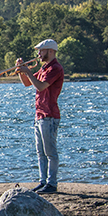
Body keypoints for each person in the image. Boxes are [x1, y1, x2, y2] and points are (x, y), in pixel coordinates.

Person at [15, 39, 64, 194]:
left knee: (50, 152)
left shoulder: (55, 68)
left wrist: (28, 71)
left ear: (50, 51)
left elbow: (41, 86)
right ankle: (43, 181)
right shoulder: (44, 68)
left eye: (41, 51)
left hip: (49, 115)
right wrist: (21, 70)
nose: (38, 54)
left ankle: (52, 183)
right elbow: (27, 83)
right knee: (41, 153)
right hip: (39, 115)